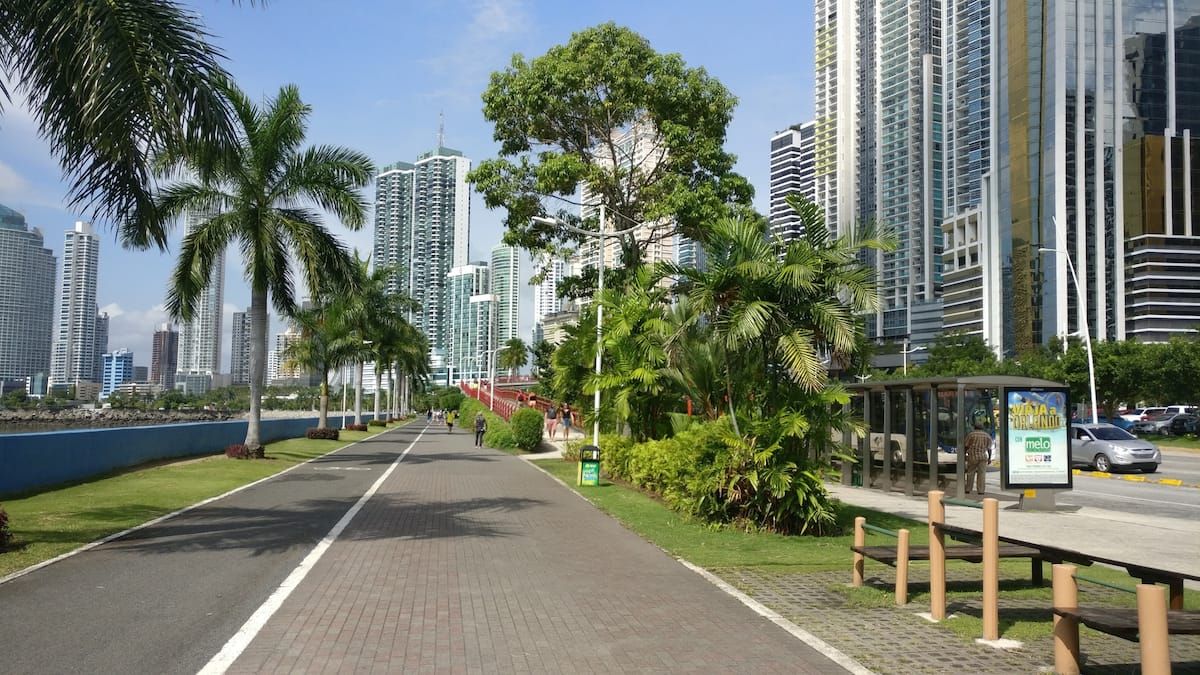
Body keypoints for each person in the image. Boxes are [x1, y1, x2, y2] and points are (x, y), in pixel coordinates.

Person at [964, 421, 992, 495]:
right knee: (982, 474)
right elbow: (989, 448)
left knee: (970, 473)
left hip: (973, 456)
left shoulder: (971, 434)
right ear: (982, 427)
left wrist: (964, 455)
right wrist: (989, 458)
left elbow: (966, 446)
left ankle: (968, 489)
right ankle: (981, 490)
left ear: (974, 427)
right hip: (983, 456)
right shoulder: (987, 435)